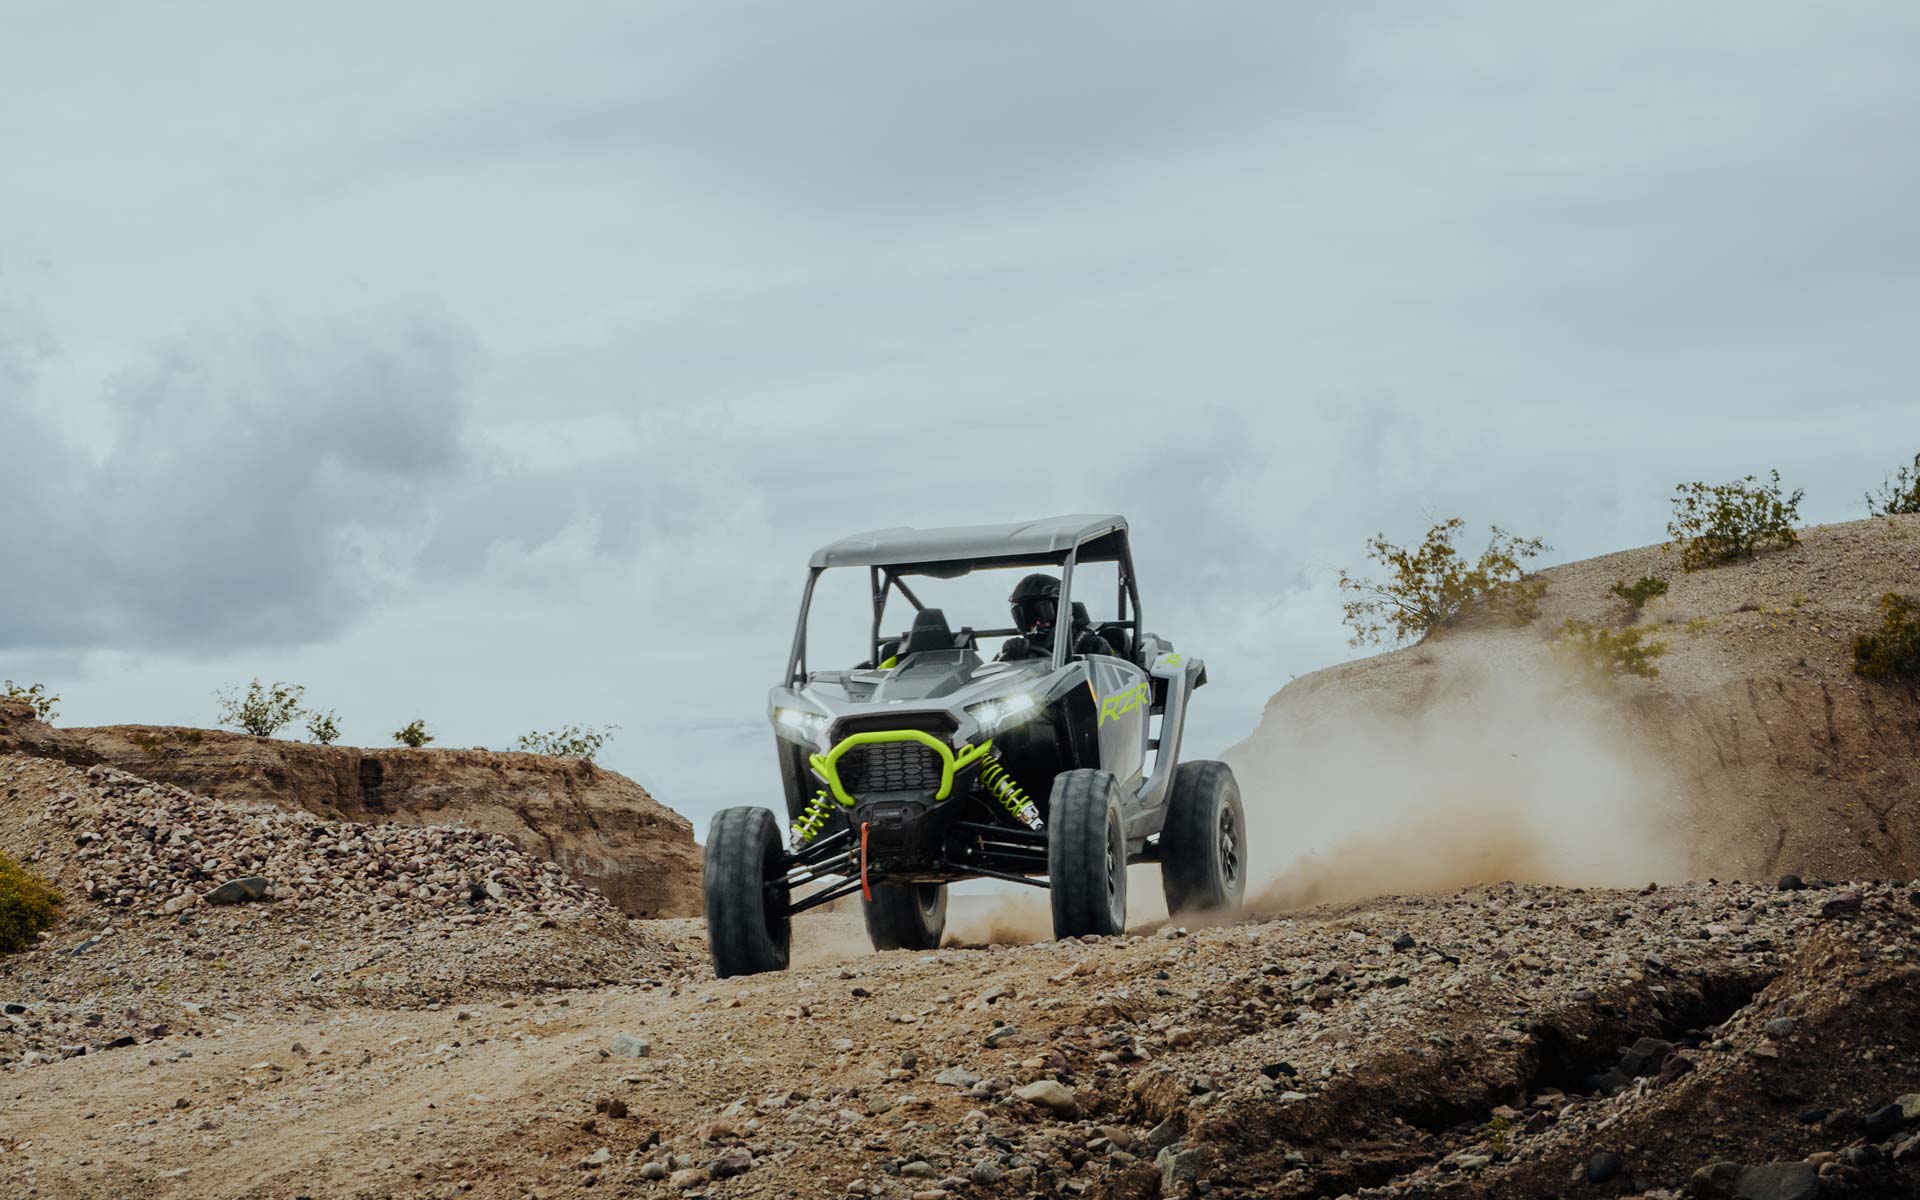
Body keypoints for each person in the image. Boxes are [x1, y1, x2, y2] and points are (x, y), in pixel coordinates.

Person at [996, 573, 1113, 662]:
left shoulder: (1093, 645)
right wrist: (1008, 657)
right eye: (1027, 616)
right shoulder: (1021, 649)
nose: (1037, 622)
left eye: (1043, 611)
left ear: (1062, 609)